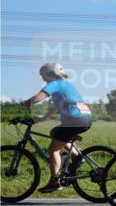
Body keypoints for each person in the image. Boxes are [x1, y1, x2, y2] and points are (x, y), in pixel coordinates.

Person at [20, 62, 93, 193]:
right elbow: (53, 110)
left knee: (53, 150)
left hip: (74, 120)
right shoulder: (66, 85)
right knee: (55, 132)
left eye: (42, 75)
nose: (42, 78)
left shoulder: (54, 84)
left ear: (49, 74)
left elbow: (37, 98)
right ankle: (76, 157)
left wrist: (25, 103)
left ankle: (55, 181)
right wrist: (40, 119)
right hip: (85, 118)